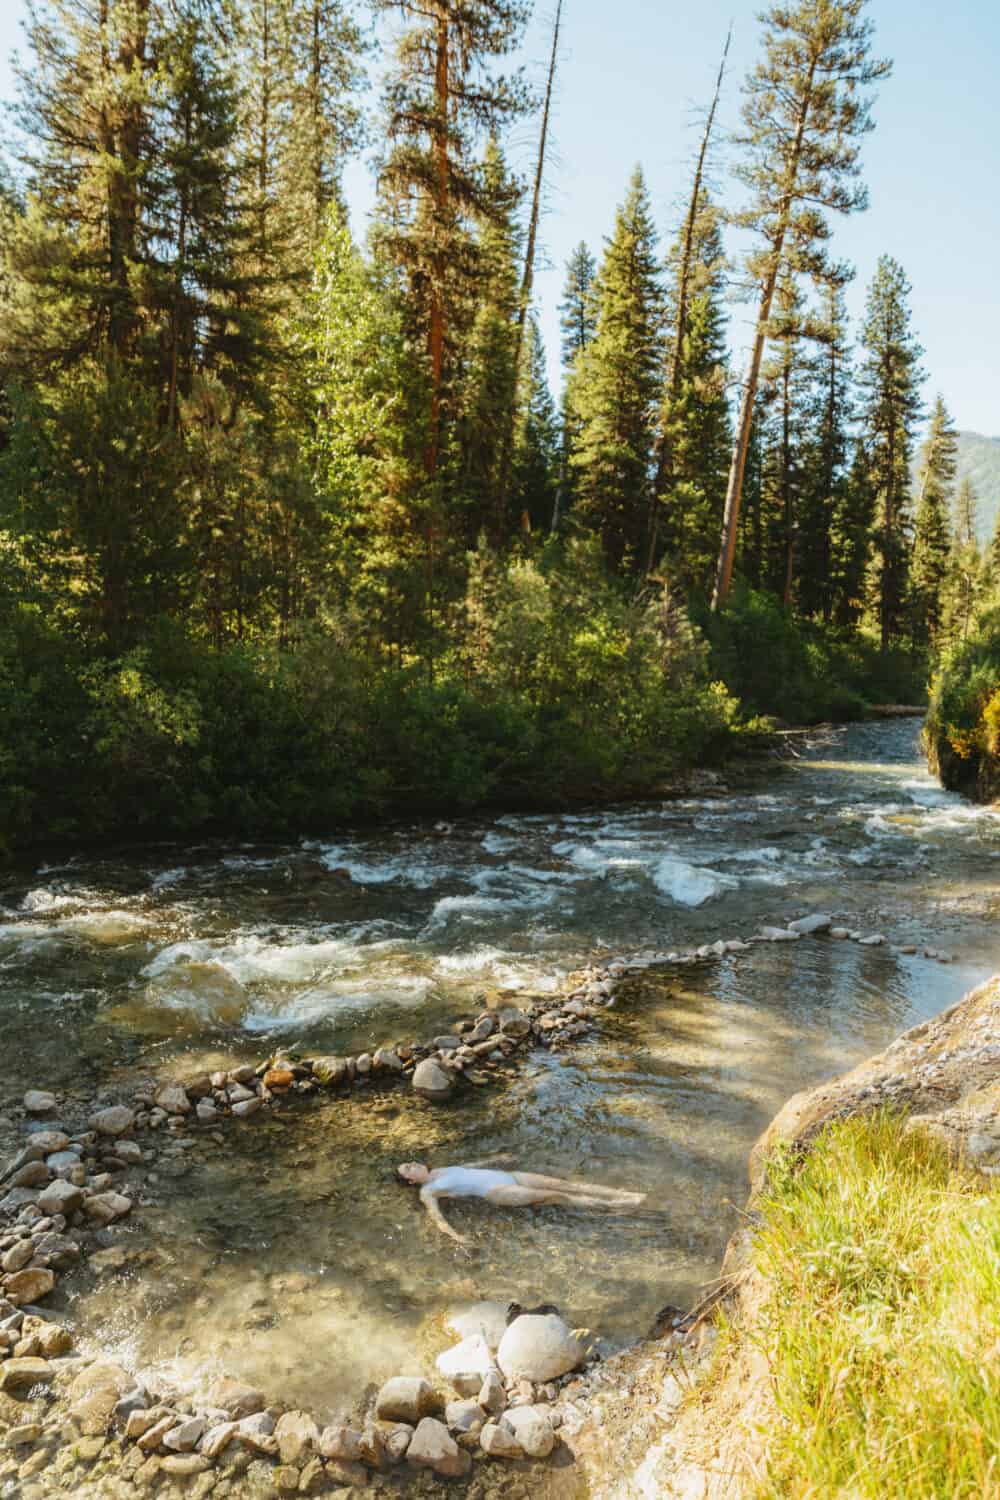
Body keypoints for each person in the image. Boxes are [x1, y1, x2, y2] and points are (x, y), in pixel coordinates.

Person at [396, 1159, 646, 1246]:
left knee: (565, 1184)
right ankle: (618, 1207)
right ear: (410, 1181)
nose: (413, 1164)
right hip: (497, 1191)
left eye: (411, 1162)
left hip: (509, 1176)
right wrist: (456, 1236)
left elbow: (469, 1170)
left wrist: (497, 1158)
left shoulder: (439, 1169)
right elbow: (437, 1218)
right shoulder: (427, 1191)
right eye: (408, 1169)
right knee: (561, 1197)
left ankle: (622, 1194)